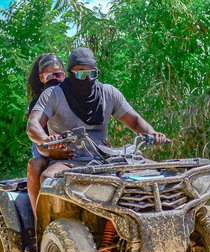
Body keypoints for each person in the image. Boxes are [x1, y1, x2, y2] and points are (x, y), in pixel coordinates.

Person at [26, 47, 167, 187]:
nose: (87, 79)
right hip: (69, 161)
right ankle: (40, 210)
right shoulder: (53, 94)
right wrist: (46, 139)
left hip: (104, 159)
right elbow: (33, 124)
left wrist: (152, 133)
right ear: (70, 73)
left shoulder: (109, 93)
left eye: (91, 73)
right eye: (81, 74)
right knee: (49, 179)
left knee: (165, 171)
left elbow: (135, 122)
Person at [25, 54, 75, 217]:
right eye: (49, 76)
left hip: (72, 150)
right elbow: (38, 137)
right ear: (42, 78)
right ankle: (39, 218)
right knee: (35, 165)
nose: (55, 79)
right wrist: (50, 152)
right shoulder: (37, 104)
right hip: (46, 150)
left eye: (58, 75)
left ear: (64, 75)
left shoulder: (73, 97)